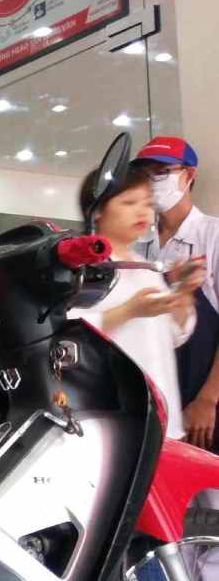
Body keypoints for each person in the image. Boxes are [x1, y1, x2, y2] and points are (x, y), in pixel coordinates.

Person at [72, 162, 200, 441]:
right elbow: (70, 334)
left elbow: (173, 334)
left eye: (147, 203)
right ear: (97, 210)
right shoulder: (83, 268)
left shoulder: (145, 267)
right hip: (113, 418)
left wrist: (183, 293)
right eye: (129, 202)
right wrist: (128, 311)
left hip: (162, 414)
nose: (143, 212)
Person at [131, 137, 219, 450]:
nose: (151, 181)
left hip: (202, 404)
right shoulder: (137, 247)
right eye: (145, 174)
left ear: (189, 174)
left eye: (162, 171)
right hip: (154, 401)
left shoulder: (213, 235)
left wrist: (208, 399)